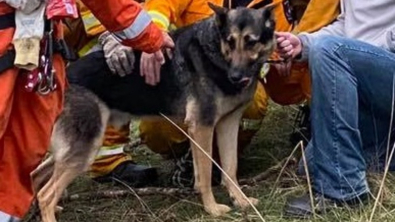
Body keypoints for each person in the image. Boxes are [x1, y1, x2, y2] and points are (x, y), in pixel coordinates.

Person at [0, 0, 174, 221]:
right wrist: (150, 37)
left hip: (35, 50)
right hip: (24, 48)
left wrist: (150, 36)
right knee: (19, 148)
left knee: (21, 151)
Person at [275, 0, 395, 218]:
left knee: (331, 51)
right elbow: (346, 26)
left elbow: (343, 47)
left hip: (388, 66)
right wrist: (303, 44)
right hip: (370, 75)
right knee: (311, 166)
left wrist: (356, 54)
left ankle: (343, 190)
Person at [63, 0, 161, 188]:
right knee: (110, 63)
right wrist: (110, 31)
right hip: (66, 20)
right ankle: (107, 160)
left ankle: (107, 156)